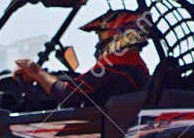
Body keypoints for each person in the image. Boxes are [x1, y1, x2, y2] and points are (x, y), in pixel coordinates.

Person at [14, 9, 151, 107]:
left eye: (101, 35)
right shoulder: (133, 66)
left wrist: (37, 72)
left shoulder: (115, 69)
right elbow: (81, 84)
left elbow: (67, 94)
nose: (99, 42)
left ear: (119, 36)